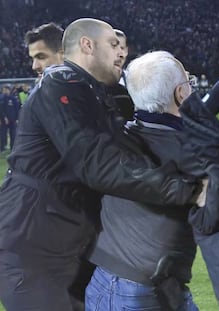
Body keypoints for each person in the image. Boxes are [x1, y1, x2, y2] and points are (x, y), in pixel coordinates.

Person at [0, 18, 201, 311]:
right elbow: (98, 165)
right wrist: (190, 189)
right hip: (33, 250)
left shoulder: (93, 92)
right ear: (87, 45)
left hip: (68, 245)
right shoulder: (60, 83)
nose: (120, 52)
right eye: (113, 44)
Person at [86, 51, 202, 311]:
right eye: (188, 82)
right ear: (181, 93)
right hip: (140, 291)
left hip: (112, 281)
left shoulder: (116, 138)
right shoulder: (193, 150)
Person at [108, 29, 135, 121]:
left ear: (127, 51)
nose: (119, 54)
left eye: (122, 48)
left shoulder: (135, 81)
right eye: (114, 48)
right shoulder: (89, 82)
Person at [0, 85, 21, 152]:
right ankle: (2, 148)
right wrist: (2, 118)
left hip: (13, 120)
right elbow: (1, 110)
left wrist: (17, 119)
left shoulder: (13, 98)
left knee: (13, 135)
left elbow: (17, 109)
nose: (5, 91)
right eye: (4, 90)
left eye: (6, 90)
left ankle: (12, 148)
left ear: (9, 90)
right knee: (2, 135)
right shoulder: (1, 99)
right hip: (3, 120)